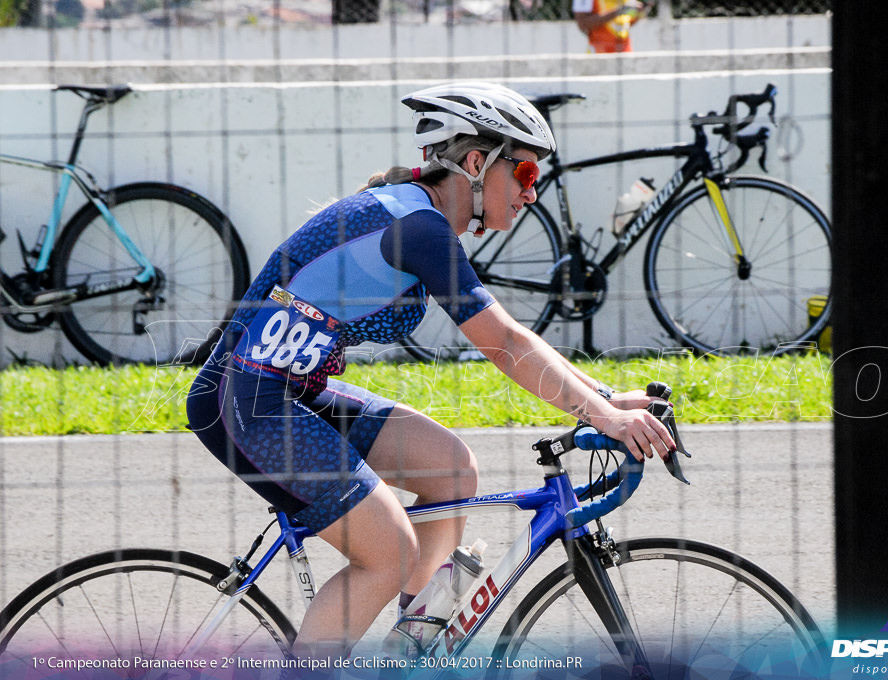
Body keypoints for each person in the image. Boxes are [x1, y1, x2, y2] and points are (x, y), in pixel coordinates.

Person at [185, 81, 676, 660]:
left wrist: (603, 399)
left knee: (450, 469)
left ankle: (409, 655)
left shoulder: (419, 216)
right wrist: (601, 414)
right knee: (387, 553)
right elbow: (504, 344)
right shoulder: (417, 229)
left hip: (289, 389)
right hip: (248, 402)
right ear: (475, 162)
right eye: (523, 174)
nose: (532, 193)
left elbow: (512, 342)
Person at [572, 0, 648, 54]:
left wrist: (639, 13)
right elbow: (583, 24)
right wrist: (618, 12)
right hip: (599, 56)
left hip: (625, 54)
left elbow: (626, 23)